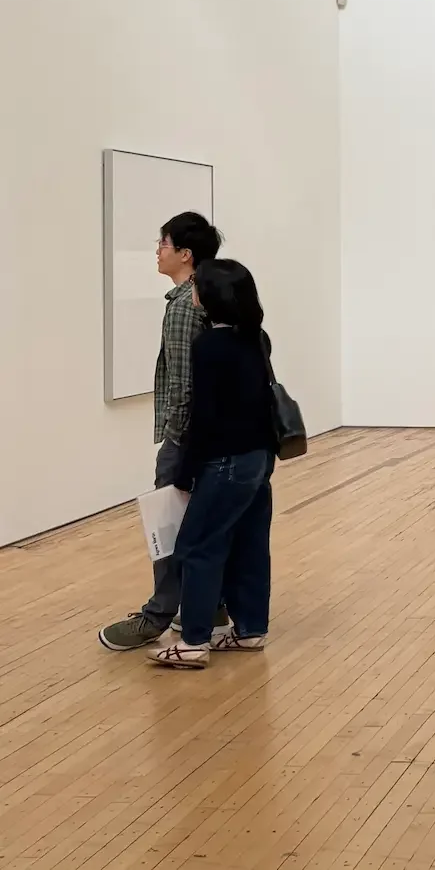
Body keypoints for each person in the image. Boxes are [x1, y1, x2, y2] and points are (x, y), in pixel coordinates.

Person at [99, 212, 232, 651]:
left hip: (187, 438)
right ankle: (211, 608)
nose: (157, 251)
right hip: (218, 436)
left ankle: (157, 614)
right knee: (203, 523)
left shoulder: (182, 307)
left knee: (169, 525)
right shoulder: (214, 294)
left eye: (163, 243)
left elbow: (182, 385)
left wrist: (176, 441)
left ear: (185, 254)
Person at [150, 258, 279, 669]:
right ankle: (250, 631)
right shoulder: (256, 339)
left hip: (225, 462)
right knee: (250, 546)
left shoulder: (209, 346)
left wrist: (186, 471)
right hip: (258, 459)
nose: (193, 292)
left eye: (197, 287)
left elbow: (204, 417)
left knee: (198, 547)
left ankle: (192, 642)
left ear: (209, 297)